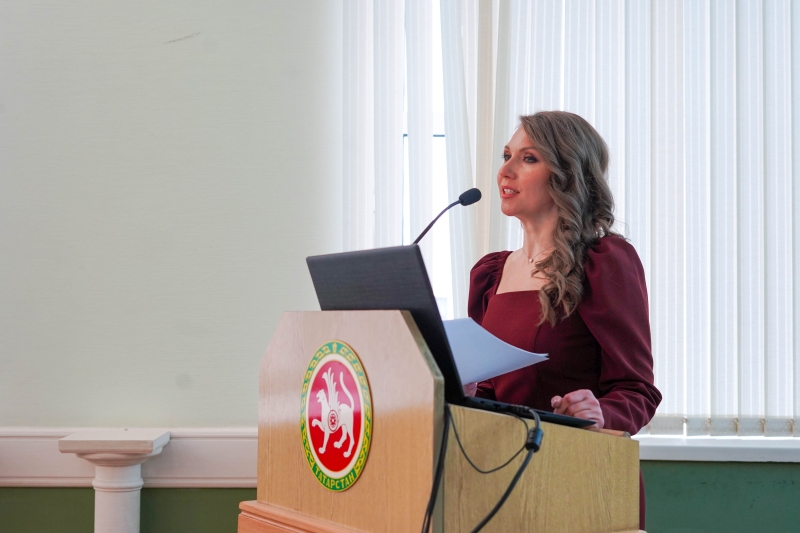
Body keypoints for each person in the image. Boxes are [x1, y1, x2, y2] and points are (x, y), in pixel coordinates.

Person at [466, 111, 661, 529]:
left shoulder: (605, 262)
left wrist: (600, 411)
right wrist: (459, 391)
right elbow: (487, 390)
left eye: (528, 158)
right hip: (503, 479)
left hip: (583, 479)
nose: (505, 170)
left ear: (567, 175)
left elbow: (638, 391)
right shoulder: (489, 274)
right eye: (506, 155)